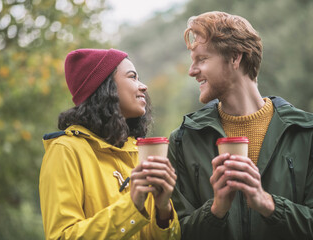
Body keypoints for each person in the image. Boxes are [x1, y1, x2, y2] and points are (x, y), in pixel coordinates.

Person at [168, 11, 313, 240]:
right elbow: (175, 234)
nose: (192, 71)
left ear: (235, 57)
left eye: (202, 59)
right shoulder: (182, 140)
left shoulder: (307, 133)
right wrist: (216, 211)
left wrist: (267, 204)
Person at [39, 48, 181, 239]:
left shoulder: (137, 151)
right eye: (132, 77)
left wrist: (163, 211)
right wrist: (132, 207)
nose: (143, 86)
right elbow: (62, 236)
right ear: (105, 88)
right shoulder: (65, 150)